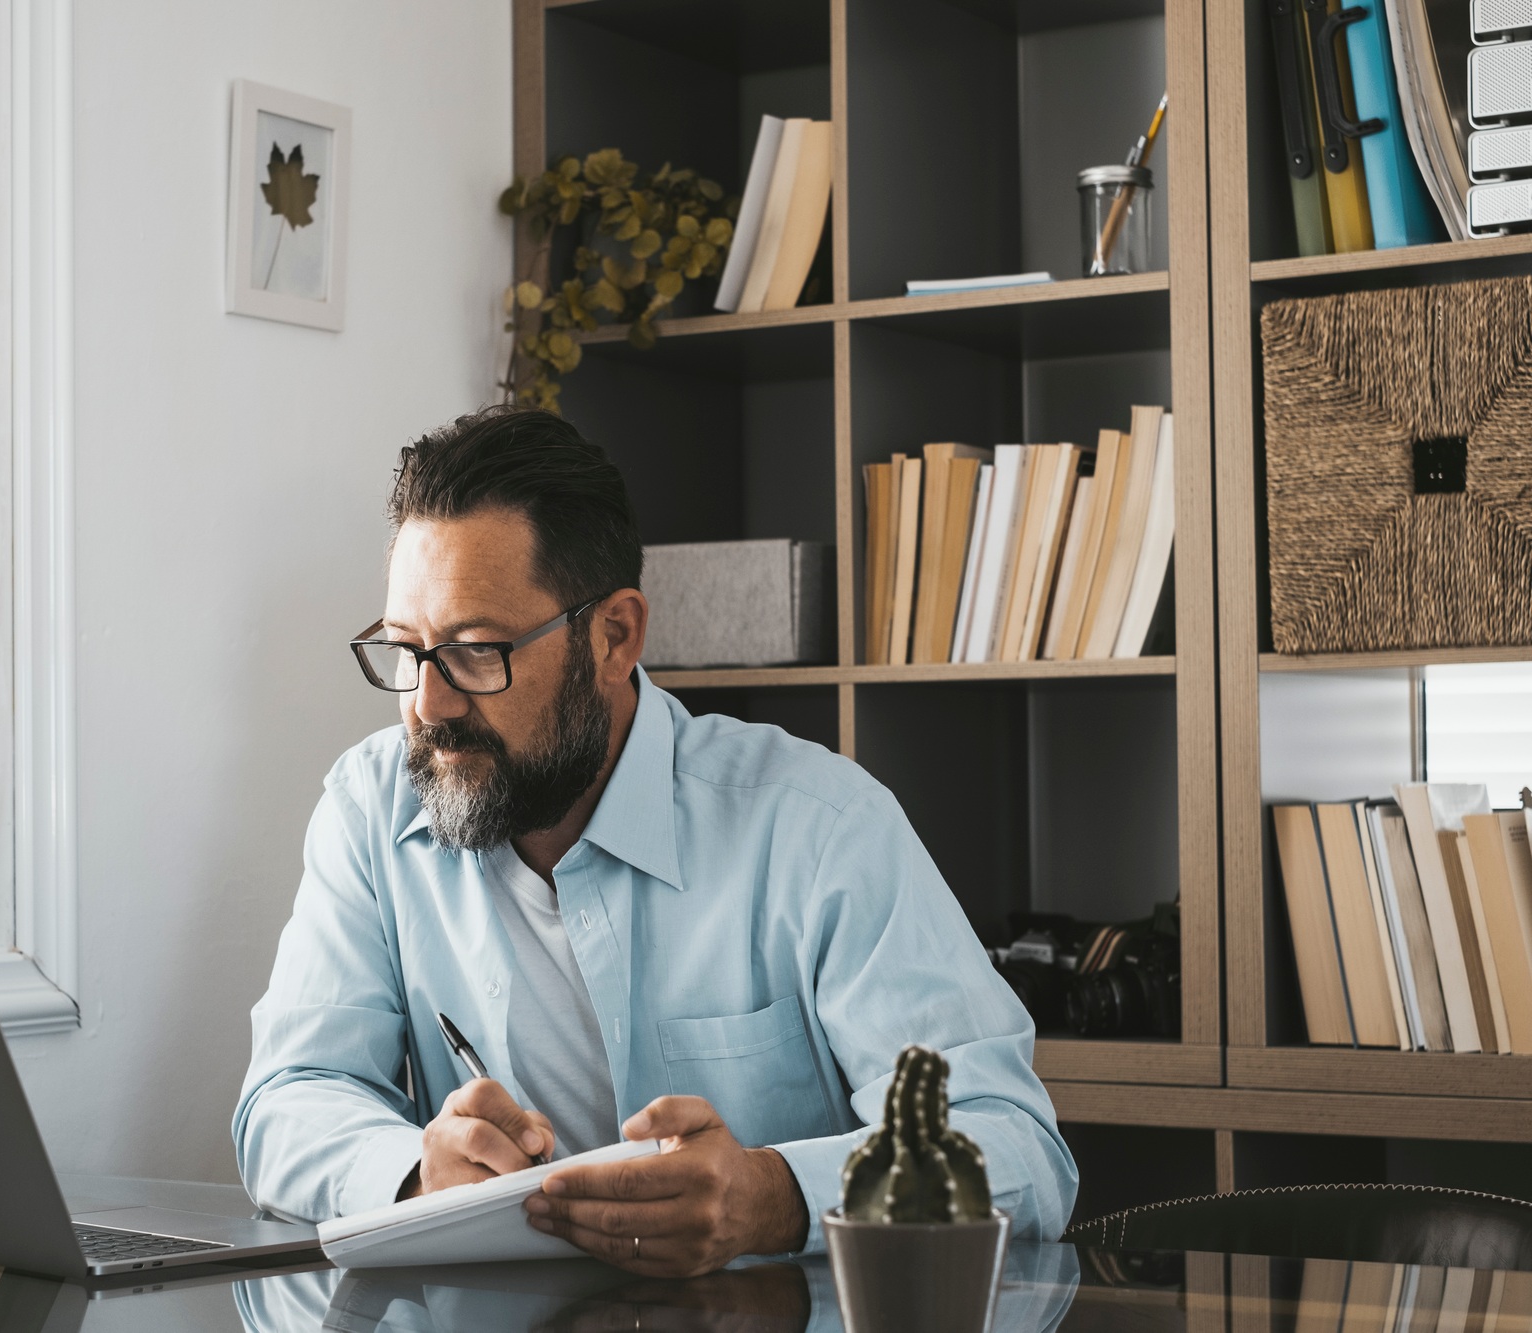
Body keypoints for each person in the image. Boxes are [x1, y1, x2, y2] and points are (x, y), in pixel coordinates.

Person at [233, 405, 1077, 1276]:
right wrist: (414, 1170)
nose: (429, 706)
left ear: (614, 635)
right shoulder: (372, 808)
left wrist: (775, 1195)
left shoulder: (820, 826)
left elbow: (1013, 1148)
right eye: (407, 650)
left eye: (478, 652)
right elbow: (289, 1100)